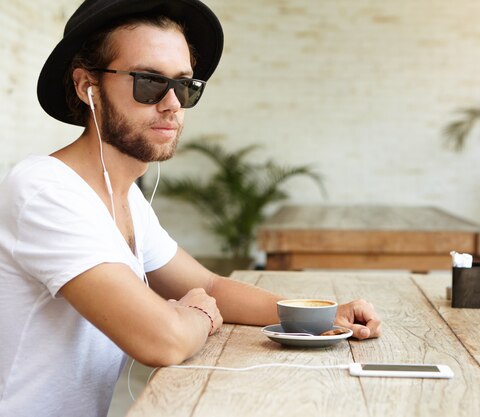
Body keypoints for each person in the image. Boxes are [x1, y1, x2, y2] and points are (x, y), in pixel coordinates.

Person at [0, 1, 381, 416]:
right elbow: (162, 340)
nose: (172, 104)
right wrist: (197, 314)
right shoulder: (45, 190)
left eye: (184, 85)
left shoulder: (124, 196)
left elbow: (210, 286)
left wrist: (321, 314)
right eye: (148, 82)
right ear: (86, 86)